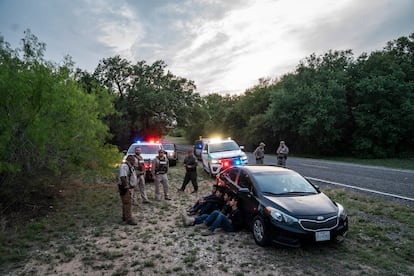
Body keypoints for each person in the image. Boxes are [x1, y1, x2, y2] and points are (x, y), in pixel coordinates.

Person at [118, 155, 138, 225]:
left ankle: (124, 217)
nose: (134, 162)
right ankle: (129, 219)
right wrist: (127, 187)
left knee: (125, 203)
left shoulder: (129, 166)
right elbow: (123, 177)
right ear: (129, 160)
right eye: (133, 160)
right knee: (128, 203)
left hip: (128, 187)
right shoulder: (124, 166)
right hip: (124, 187)